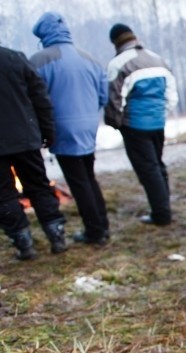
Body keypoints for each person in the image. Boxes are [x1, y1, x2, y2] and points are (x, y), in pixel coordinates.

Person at [30, 12, 110, 246]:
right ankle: (102, 225)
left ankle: (95, 232)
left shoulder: (39, 61)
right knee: (88, 177)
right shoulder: (90, 59)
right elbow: (103, 95)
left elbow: (35, 99)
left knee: (79, 182)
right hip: (88, 126)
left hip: (61, 128)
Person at [105, 23, 178, 226]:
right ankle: (164, 208)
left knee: (148, 170)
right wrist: (160, 115)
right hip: (157, 123)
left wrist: (116, 124)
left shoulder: (118, 64)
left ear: (115, 42)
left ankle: (161, 214)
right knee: (157, 165)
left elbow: (114, 100)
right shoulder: (158, 59)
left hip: (135, 125)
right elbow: (171, 95)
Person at [0, 44, 68, 259]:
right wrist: (47, 130)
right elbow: (40, 97)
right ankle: (56, 236)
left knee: (4, 195)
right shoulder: (14, 58)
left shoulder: (15, 58)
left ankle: (24, 244)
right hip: (26, 137)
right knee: (38, 186)